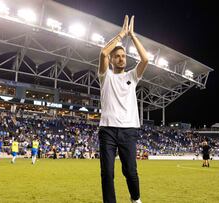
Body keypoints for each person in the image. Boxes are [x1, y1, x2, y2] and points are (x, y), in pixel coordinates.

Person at [98, 15, 148, 203]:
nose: (121, 59)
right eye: (117, 56)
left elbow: (145, 59)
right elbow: (103, 53)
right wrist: (121, 34)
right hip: (108, 131)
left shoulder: (132, 76)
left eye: (123, 56)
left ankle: (135, 199)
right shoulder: (105, 76)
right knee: (107, 173)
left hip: (129, 130)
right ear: (112, 60)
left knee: (130, 171)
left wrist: (132, 36)